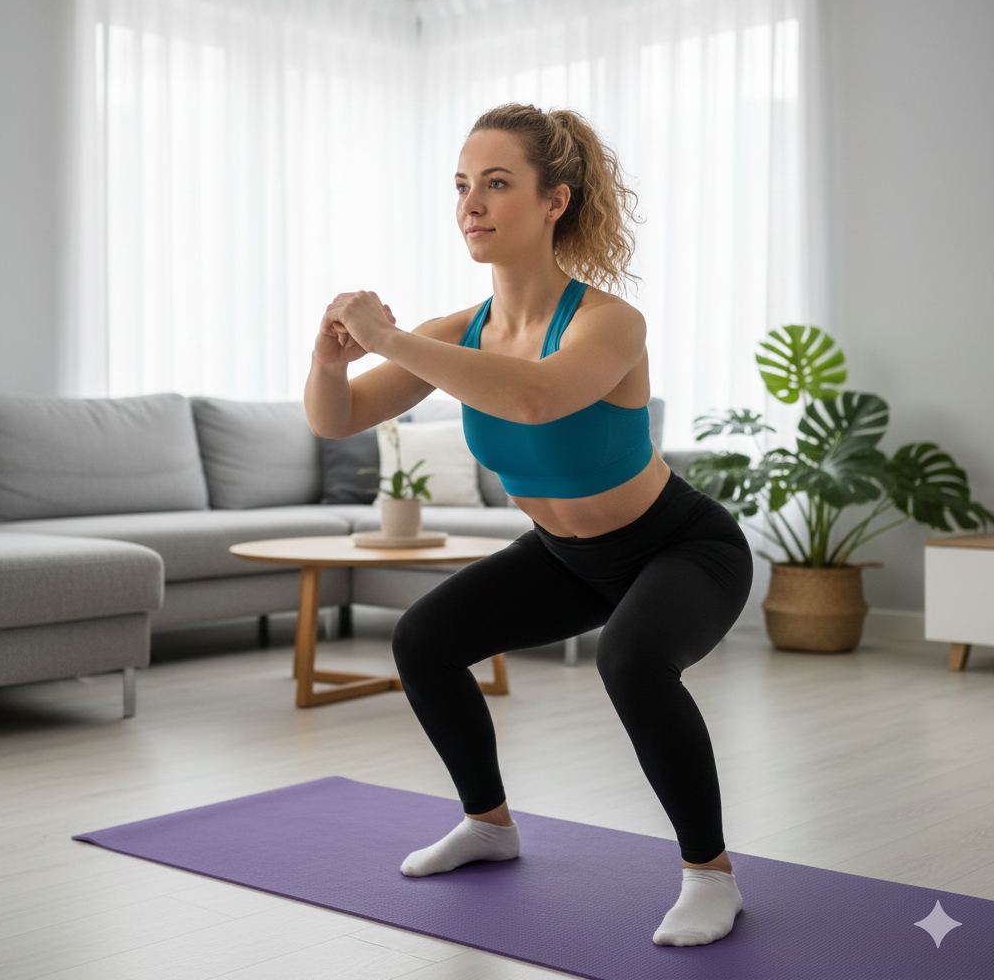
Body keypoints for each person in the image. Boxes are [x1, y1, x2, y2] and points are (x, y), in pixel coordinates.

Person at [304, 103, 754, 947]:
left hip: (681, 547)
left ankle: (710, 877)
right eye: (463, 186)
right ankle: (489, 825)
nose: (472, 203)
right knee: (425, 640)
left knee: (631, 661)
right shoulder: (459, 332)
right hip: (566, 556)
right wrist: (329, 356)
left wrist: (388, 335)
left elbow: (534, 396)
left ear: (556, 201)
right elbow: (337, 419)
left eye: (498, 183)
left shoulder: (608, 321)